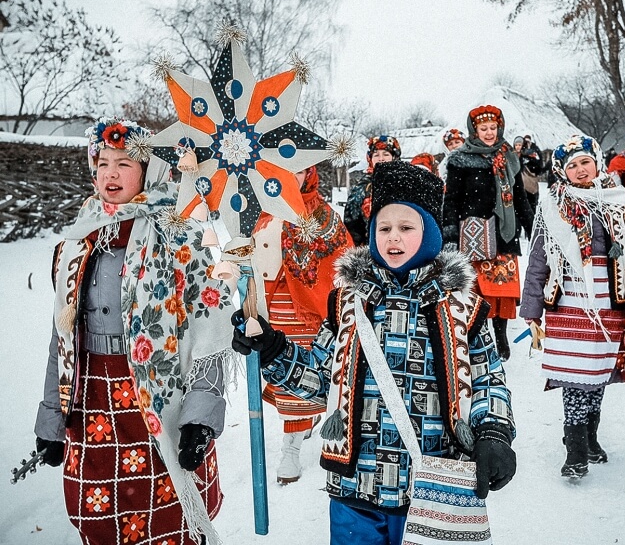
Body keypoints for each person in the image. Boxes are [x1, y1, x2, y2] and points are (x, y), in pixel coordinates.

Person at [231, 161, 516, 545]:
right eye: (384, 228)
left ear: (429, 234)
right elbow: (320, 381)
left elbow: (487, 379)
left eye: (406, 228)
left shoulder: (463, 308)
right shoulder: (347, 304)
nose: (393, 238)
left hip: (433, 484)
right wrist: (272, 349)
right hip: (354, 487)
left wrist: (494, 433)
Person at [33, 117, 234, 544]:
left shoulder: (180, 234)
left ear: (147, 170)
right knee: (100, 517)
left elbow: (210, 328)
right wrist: (51, 420)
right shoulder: (76, 241)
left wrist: (201, 415)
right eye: (103, 162)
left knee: (168, 520)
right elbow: (62, 337)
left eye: (123, 163)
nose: (110, 173)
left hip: (156, 399)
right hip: (91, 401)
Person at [519, 135, 625, 479]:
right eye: (571, 165)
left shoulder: (620, 201)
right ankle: (575, 451)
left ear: (597, 163)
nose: (579, 169)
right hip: (569, 303)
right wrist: (531, 310)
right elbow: (538, 260)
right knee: (575, 377)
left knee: (598, 374)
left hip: (609, 303)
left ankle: (590, 437)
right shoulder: (553, 208)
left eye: (584, 162)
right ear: (562, 171)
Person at [252, 165, 352, 484]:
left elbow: (342, 260)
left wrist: (335, 303)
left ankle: (291, 447)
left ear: (308, 173)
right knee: (282, 373)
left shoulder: (324, 215)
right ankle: (297, 433)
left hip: (311, 307)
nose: (289, 177)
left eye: (296, 170)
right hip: (272, 304)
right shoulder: (263, 209)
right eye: (281, 170)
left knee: (306, 370)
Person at [442, 105, 535, 361]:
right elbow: (451, 200)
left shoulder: (509, 158)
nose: (489, 133)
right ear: (474, 130)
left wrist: (532, 227)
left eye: (493, 128)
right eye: (483, 129)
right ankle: (477, 336)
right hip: (473, 233)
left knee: (502, 288)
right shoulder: (460, 160)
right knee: (476, 290)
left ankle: (501, 335)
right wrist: (449, 234)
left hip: (504, 232)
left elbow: (519, 198)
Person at [343, 135, 401, 246]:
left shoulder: (405, 182)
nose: (381, 158)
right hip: (370, 248)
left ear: (394, 157)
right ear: (370, 158)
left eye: (386, 154)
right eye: (376, 155)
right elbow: (352, 224)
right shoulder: (362, 187)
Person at [519, 139, 544, 217]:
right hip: (528, 186)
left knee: (530, 207)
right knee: (530, 207)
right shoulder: (524, 158)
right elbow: (540, 167)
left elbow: (539, 167)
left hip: (529, 186)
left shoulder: (526, 159)